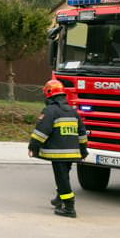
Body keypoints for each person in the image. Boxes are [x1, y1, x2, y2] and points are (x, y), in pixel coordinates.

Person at [28, 79, 88, 218]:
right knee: (64, 177)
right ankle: (59, 199)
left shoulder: (50, 111)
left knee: (62, 179)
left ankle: (69, 207)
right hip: (72, 153)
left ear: (48, 93)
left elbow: (42, 131)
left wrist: (33, 146)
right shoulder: (73, 112)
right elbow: (82, 132)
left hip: (58, 154)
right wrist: (83, 150)